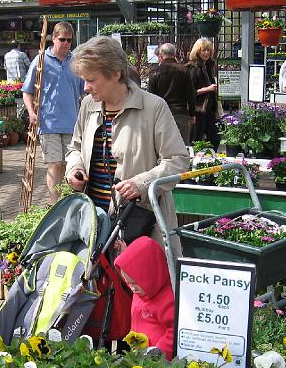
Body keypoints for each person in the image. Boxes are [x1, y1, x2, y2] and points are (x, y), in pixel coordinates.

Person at [64, 36, 188, 251]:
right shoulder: (88, 106)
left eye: (91, 80)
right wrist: (75, 168)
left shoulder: (153, 107)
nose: (85, 87)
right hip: (94, 221)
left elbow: (177, 160)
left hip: (138, 223)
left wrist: (141, 183)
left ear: (115, 74)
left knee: (136, 283)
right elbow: (75, 147)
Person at [23, 22, 85, 204]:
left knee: (70, 166)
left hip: (72, 123)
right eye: (62, 39)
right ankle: (54, 203)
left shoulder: (76, 62)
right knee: (54, 163)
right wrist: (31, 112)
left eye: (69, 40)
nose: (65, 43)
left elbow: (84, 91)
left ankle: (67, 201)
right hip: (48, 122)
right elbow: (27, 91)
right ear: (53, 39)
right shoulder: (41, 61)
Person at [113, 236, 175, 360]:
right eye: (128, 282)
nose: (132, 288)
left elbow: (173, 330)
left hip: (154, 360)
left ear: (148, 278)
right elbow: (134, 273)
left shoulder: (167, 300)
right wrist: (126, 253)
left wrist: (159, 352)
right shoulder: (142, 289)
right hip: (138, 351)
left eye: (135, 283)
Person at [148, 43, 196, 145]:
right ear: (175, 55)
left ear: (160, 56)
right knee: (183, 148)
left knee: (163, 148)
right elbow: (191, 95)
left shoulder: (154, 72)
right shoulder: (184, 70)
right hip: (181, 114)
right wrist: (192, 114)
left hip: (161, 116)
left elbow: (150, 97)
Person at [186, 38, 222, 149]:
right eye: (204, 50)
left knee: (215, 139)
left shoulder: (208, 67)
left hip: (210, 110)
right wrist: (208, 89)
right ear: (198, 51)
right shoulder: (193, 68)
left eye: (208, 50)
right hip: (198, 110)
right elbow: (189, 91)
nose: (206, 53)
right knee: (195, 140)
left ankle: (212, 161)